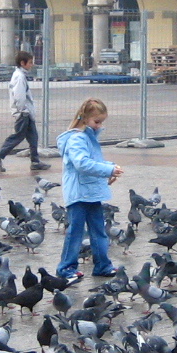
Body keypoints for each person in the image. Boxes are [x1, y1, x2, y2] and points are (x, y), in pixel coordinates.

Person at [55, 98, 122, 283]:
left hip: (91, 192)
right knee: (75, 232)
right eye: (97, 121)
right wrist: (108, 170)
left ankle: (102, 265)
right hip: (78, 193)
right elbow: (82, 164)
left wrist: (110, 167)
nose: (99, 126)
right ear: (84, 118)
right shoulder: (77, 138)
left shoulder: (88, 137)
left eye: (101, 122)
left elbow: (93, 161)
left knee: (99, 229)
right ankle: (65, 267)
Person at [0, 49, 48, 173]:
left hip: (26, 113)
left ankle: (35, 161)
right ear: (23, 63)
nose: (32, 65)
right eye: (30, 62)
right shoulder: (19, 77)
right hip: (23, 113)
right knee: (18, 136)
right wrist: (23, 111)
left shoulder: (20, 75)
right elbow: (19, 96)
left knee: (33, 137)